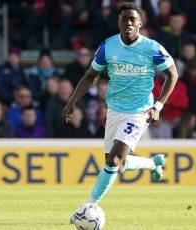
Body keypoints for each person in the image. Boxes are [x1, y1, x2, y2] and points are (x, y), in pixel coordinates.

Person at [62, 3, 178, 222]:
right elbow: (90, 76)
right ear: (119, 22)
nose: (129, 23)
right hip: (114, 110)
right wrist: (72, 100)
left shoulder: (152, 48)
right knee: (119, 165)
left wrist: (158, 106)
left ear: (140, 24)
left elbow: (172, 75)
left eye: (133, 20)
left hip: (139, 111)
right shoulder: (108, 46)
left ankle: (88, 206)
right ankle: (153, 163)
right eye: (124, 19)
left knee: (114, 160)